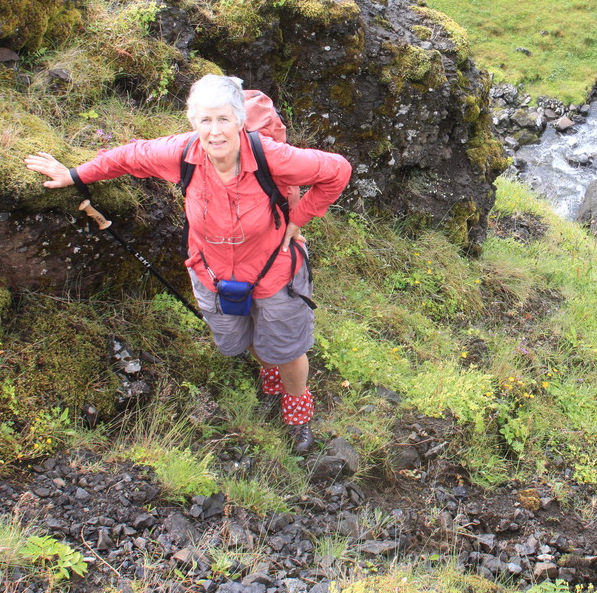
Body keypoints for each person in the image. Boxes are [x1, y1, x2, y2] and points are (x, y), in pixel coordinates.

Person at [25, 74, 352, 454]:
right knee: (236, 341)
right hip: (212, 273)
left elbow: (337, 171)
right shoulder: (181, 154)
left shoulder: (272, 158)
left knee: (287, 348)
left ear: (240, 120)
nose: (215, 132)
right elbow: (129, 157)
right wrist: (75, 175)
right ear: (193, 123)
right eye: (205, 121)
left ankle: (297, 413)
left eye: (224, 119)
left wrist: (300, 217)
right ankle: (269, 372)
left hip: (275, 271)